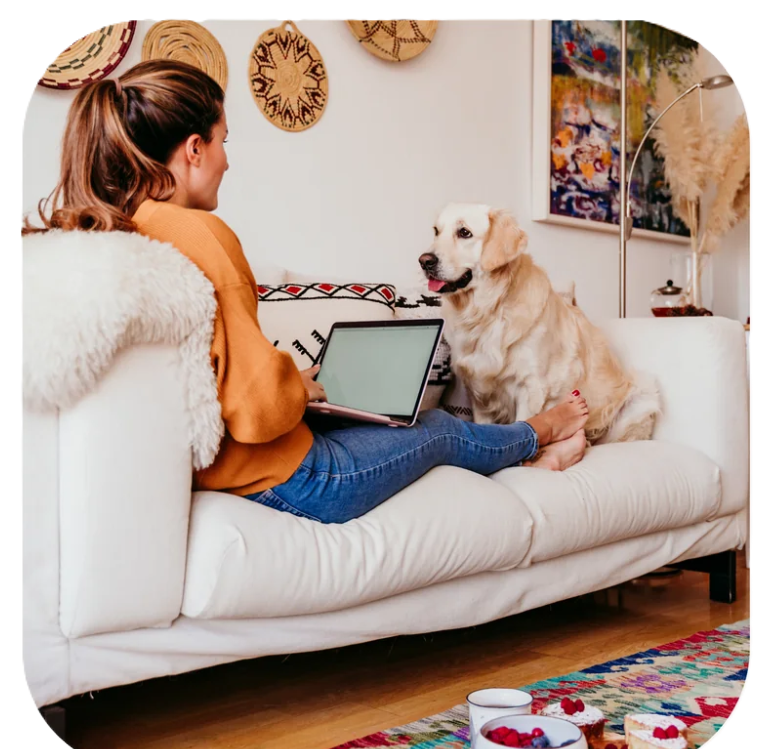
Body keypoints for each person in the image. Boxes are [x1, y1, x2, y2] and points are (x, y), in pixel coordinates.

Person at [22, 60, 589, 525]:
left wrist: (302, 384)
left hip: (230, 465)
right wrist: (295, 382)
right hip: (293, 477)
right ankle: (541, 432)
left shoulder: (126, 226)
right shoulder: (200, 233)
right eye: (222, 140)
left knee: (374, 417)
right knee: (436, 428)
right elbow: (255, 411)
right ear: (193, 149)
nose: (227, 159)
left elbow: (221, 374)